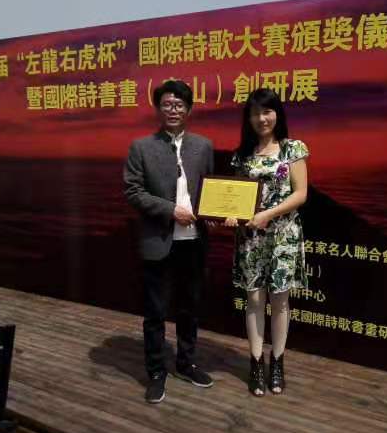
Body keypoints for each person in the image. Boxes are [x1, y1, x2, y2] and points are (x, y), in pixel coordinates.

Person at [124, 79, 215, 404]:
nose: (173, 110)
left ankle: (186, 363)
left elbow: (210, 189)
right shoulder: (141, 147)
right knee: (155, 312)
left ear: (188, 109)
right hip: (158, 241)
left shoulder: (203, 146)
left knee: (190, 308)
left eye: (179, 105)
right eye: (166, 104)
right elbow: (133, 191)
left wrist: (217, 213)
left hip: (194, 242)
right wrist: (170, 210)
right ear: (157, 108)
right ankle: (156, 372)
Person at [225, 88, 309, 396]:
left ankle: (278, 362)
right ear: (248, 118)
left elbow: (301, 194)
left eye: (267, 111)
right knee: (254, 301)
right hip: (251, 239)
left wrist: (268, 214)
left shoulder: (293, 148)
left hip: (283, 237)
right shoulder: (242, 155)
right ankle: (256, 363)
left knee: (280, 301)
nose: (261, 118)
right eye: (255, 113)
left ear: (277, 114)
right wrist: (231, 214)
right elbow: (236, 196)